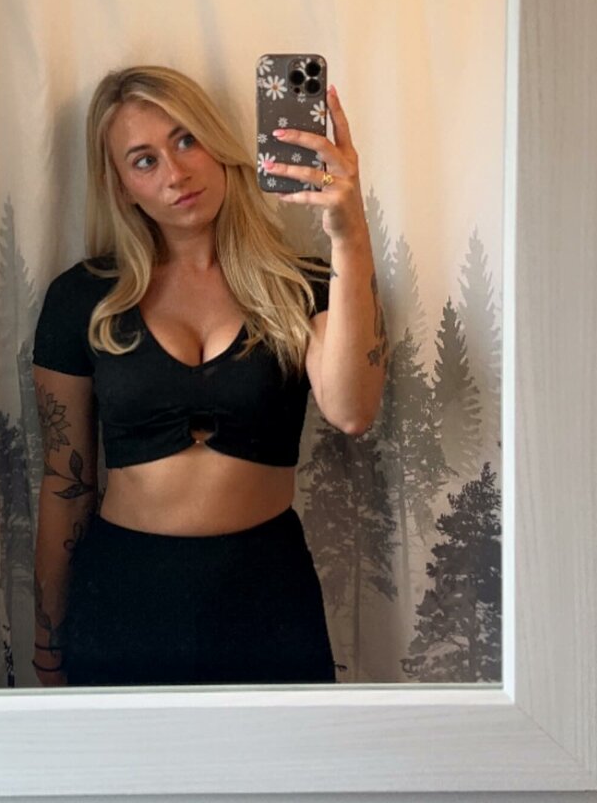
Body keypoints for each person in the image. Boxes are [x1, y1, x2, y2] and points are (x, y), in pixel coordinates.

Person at [31, 65, 387, 686]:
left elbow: (353, 411)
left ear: (220, 145)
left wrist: (349, 232)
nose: (175, 173)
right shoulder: (81, 299)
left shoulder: (301, 286)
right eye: (144, 161)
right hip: (123, 599)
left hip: (266, 592)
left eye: (187, 140)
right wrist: (47, 644)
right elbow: (66, 481)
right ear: (122, 187)